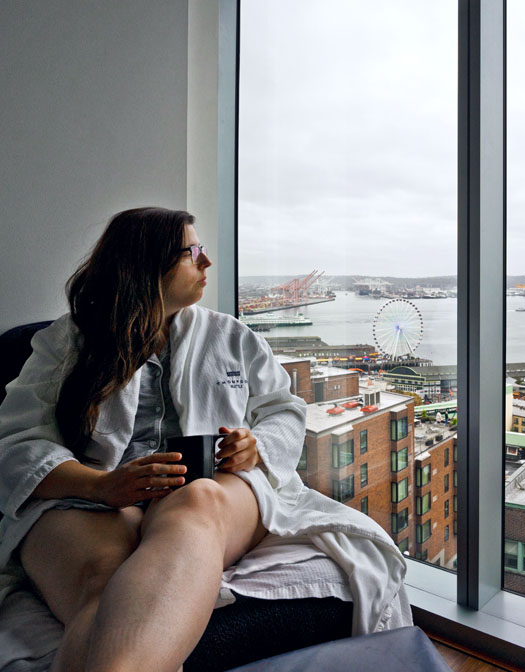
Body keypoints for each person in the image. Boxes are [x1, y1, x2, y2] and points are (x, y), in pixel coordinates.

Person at [0, 208, 409, 672]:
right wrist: (102, 486)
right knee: (105, 582)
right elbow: (17, 442)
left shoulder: (231, 336)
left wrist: (256, 446)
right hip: (97, 500)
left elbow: (283, 410)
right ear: (146, 263)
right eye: (193, 253)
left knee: (197, 499)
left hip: (215, 487)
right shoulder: (66, 344)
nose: (207, 263)